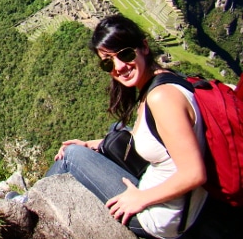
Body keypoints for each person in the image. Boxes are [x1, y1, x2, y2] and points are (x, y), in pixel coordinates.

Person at [45, 14, 207, 239]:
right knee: (113, 132)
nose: (119, 67)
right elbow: (159, 139)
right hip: (171, 204)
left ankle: (26, 205)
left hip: (160, 219)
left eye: (126, 54)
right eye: (108, 62)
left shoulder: (162, 98)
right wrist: (93, 145)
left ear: (144, 47)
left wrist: (140, 198)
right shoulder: (164, 78)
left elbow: (195, 173)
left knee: (70, 156)